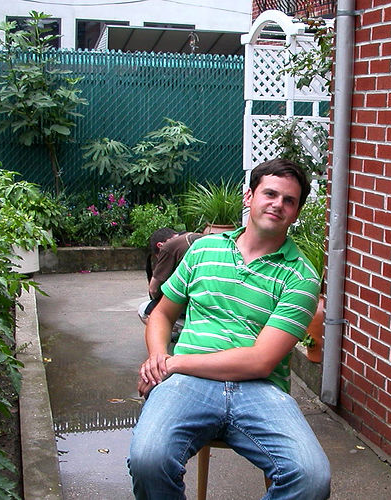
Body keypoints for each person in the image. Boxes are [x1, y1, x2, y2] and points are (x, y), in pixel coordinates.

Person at [128, 158, 331, 499]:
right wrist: (158, 356)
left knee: (311, 478)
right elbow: (161, 314)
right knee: (148, 460)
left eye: (289, 200)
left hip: (260, 391)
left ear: (296, 213)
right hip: (186, 385)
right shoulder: (203, 250)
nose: (278, 204)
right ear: (249, 196)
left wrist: (173, 363)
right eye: (270, 194)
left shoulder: (301, 277)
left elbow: (260, 362)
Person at [137, 228, 203, 338]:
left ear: (160, 245)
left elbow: (153, 289)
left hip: (194, 306)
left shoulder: (169, 247)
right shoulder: (196, 236)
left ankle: (179, 333)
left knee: (144, 310)